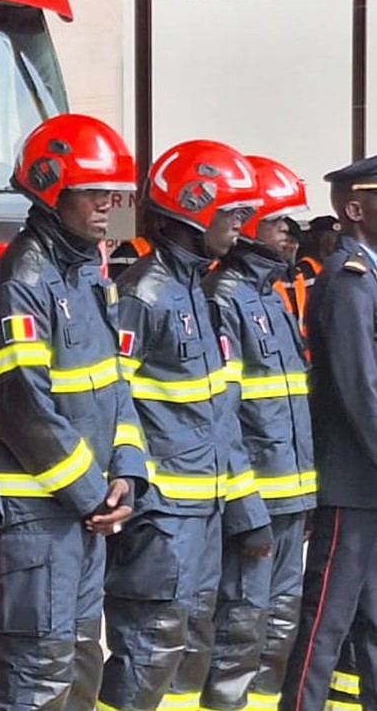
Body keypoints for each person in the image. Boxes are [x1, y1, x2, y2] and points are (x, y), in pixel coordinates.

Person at [99, 140, 272, 711]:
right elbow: (112, 404)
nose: (242, 225)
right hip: (162, 520)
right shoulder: (143, 295)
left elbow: (219, 416)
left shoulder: (193, 292)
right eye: (233, 212)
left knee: (183, 658)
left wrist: (246, 512)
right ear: (195, 207)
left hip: (202, 517)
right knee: (148, 654)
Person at [0, 114, 149, 711]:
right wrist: (93, 496)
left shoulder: (87, 271)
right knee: (39, 680)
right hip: (42, 519)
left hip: (82, 518)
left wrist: (128, 473)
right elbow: (23, 405)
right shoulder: (21, 277)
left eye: (115, 195)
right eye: (94, 194)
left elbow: (115, 388)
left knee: (80, 668)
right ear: (52, 189)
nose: (109, 207)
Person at [200, 156, 315, 711]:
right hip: (254, 504)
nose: (291, 233)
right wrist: (247, 508)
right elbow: (221, 416)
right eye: (280, 222)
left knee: (279, 631)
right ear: (247, 224)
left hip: (292, 501)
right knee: (240, 632)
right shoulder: (223, 298)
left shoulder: (272, 295)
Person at [280, 154, 377, 711]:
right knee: (325, 622)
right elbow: (359, 387)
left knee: (372, 622)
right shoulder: (349, 281)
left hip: (370, 481)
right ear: (356, 208)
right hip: (352, 482)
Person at [294, 215, 342, 288]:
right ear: (315, 239)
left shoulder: (339, 267)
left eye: (337, 236)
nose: (335, 241)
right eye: (329, 237)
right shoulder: (303, 271)